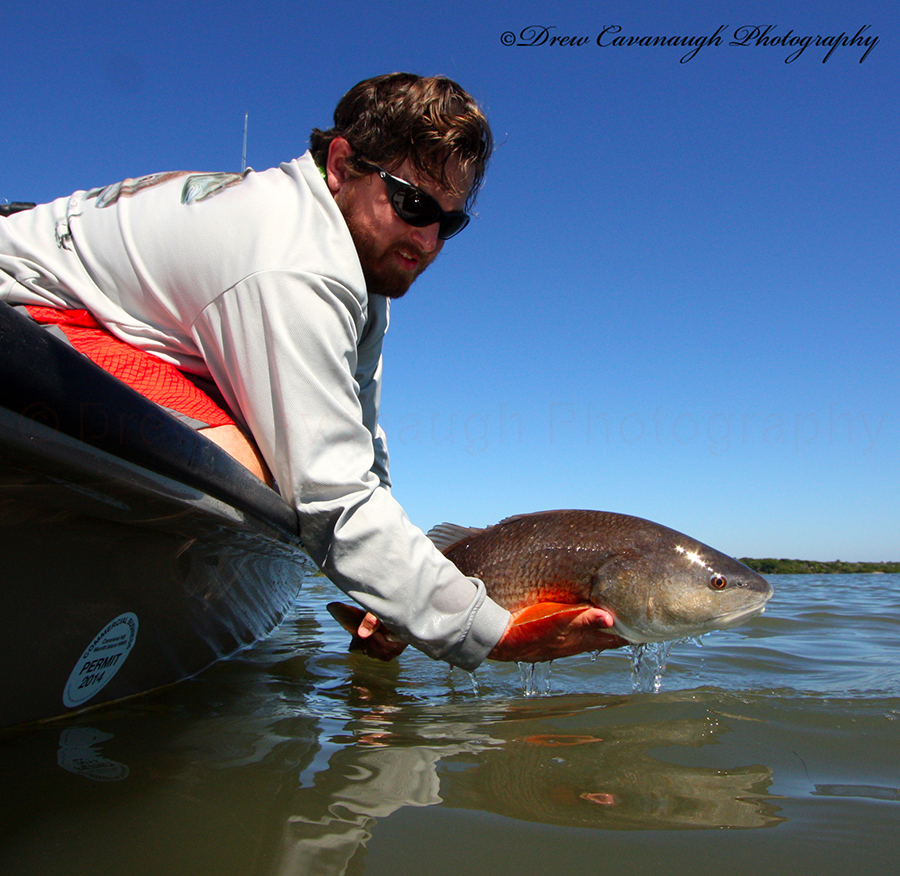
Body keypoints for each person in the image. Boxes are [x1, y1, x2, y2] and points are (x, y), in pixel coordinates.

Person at [1, 73, 624, 668]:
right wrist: (490, 635)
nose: (429, 240)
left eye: (449, 221)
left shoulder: (359, 264)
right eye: (412, 205)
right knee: (263, 472)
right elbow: (329, 492)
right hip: (26, 312)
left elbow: (355, 445)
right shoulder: (293, 264)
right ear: (342, 164)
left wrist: (391, 598)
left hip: (112, 330)